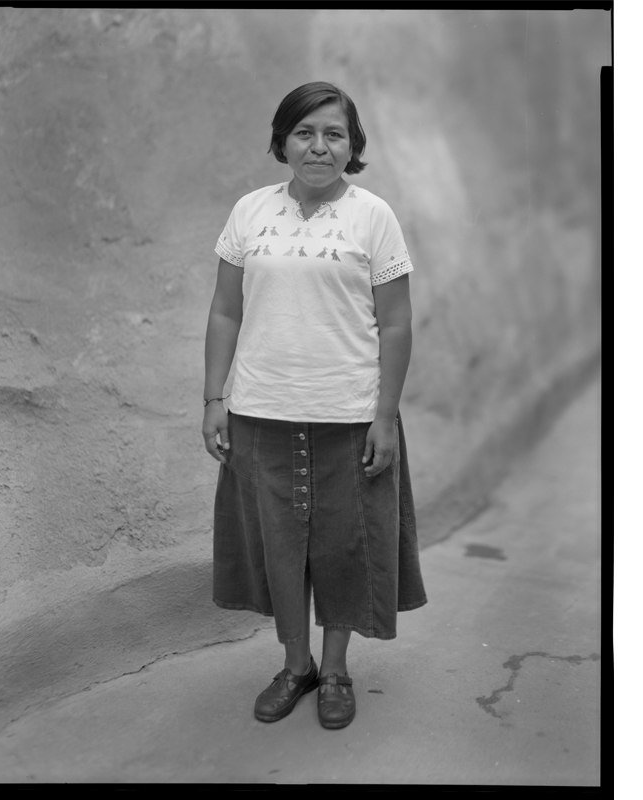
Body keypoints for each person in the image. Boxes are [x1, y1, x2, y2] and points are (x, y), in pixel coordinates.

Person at [202, 82, 427, 730]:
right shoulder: (249, 213)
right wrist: (216, 399)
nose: (319, 146)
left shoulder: (372, 217)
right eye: (305, 132)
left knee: (343, 550)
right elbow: (223, 310)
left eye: (334, 133)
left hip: (350, 414)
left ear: (352, 146)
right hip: (261, 411)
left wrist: (384, 415)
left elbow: (398, 325)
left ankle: (334, 672)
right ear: (282, 141)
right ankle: (295, 665)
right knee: (277, 551)